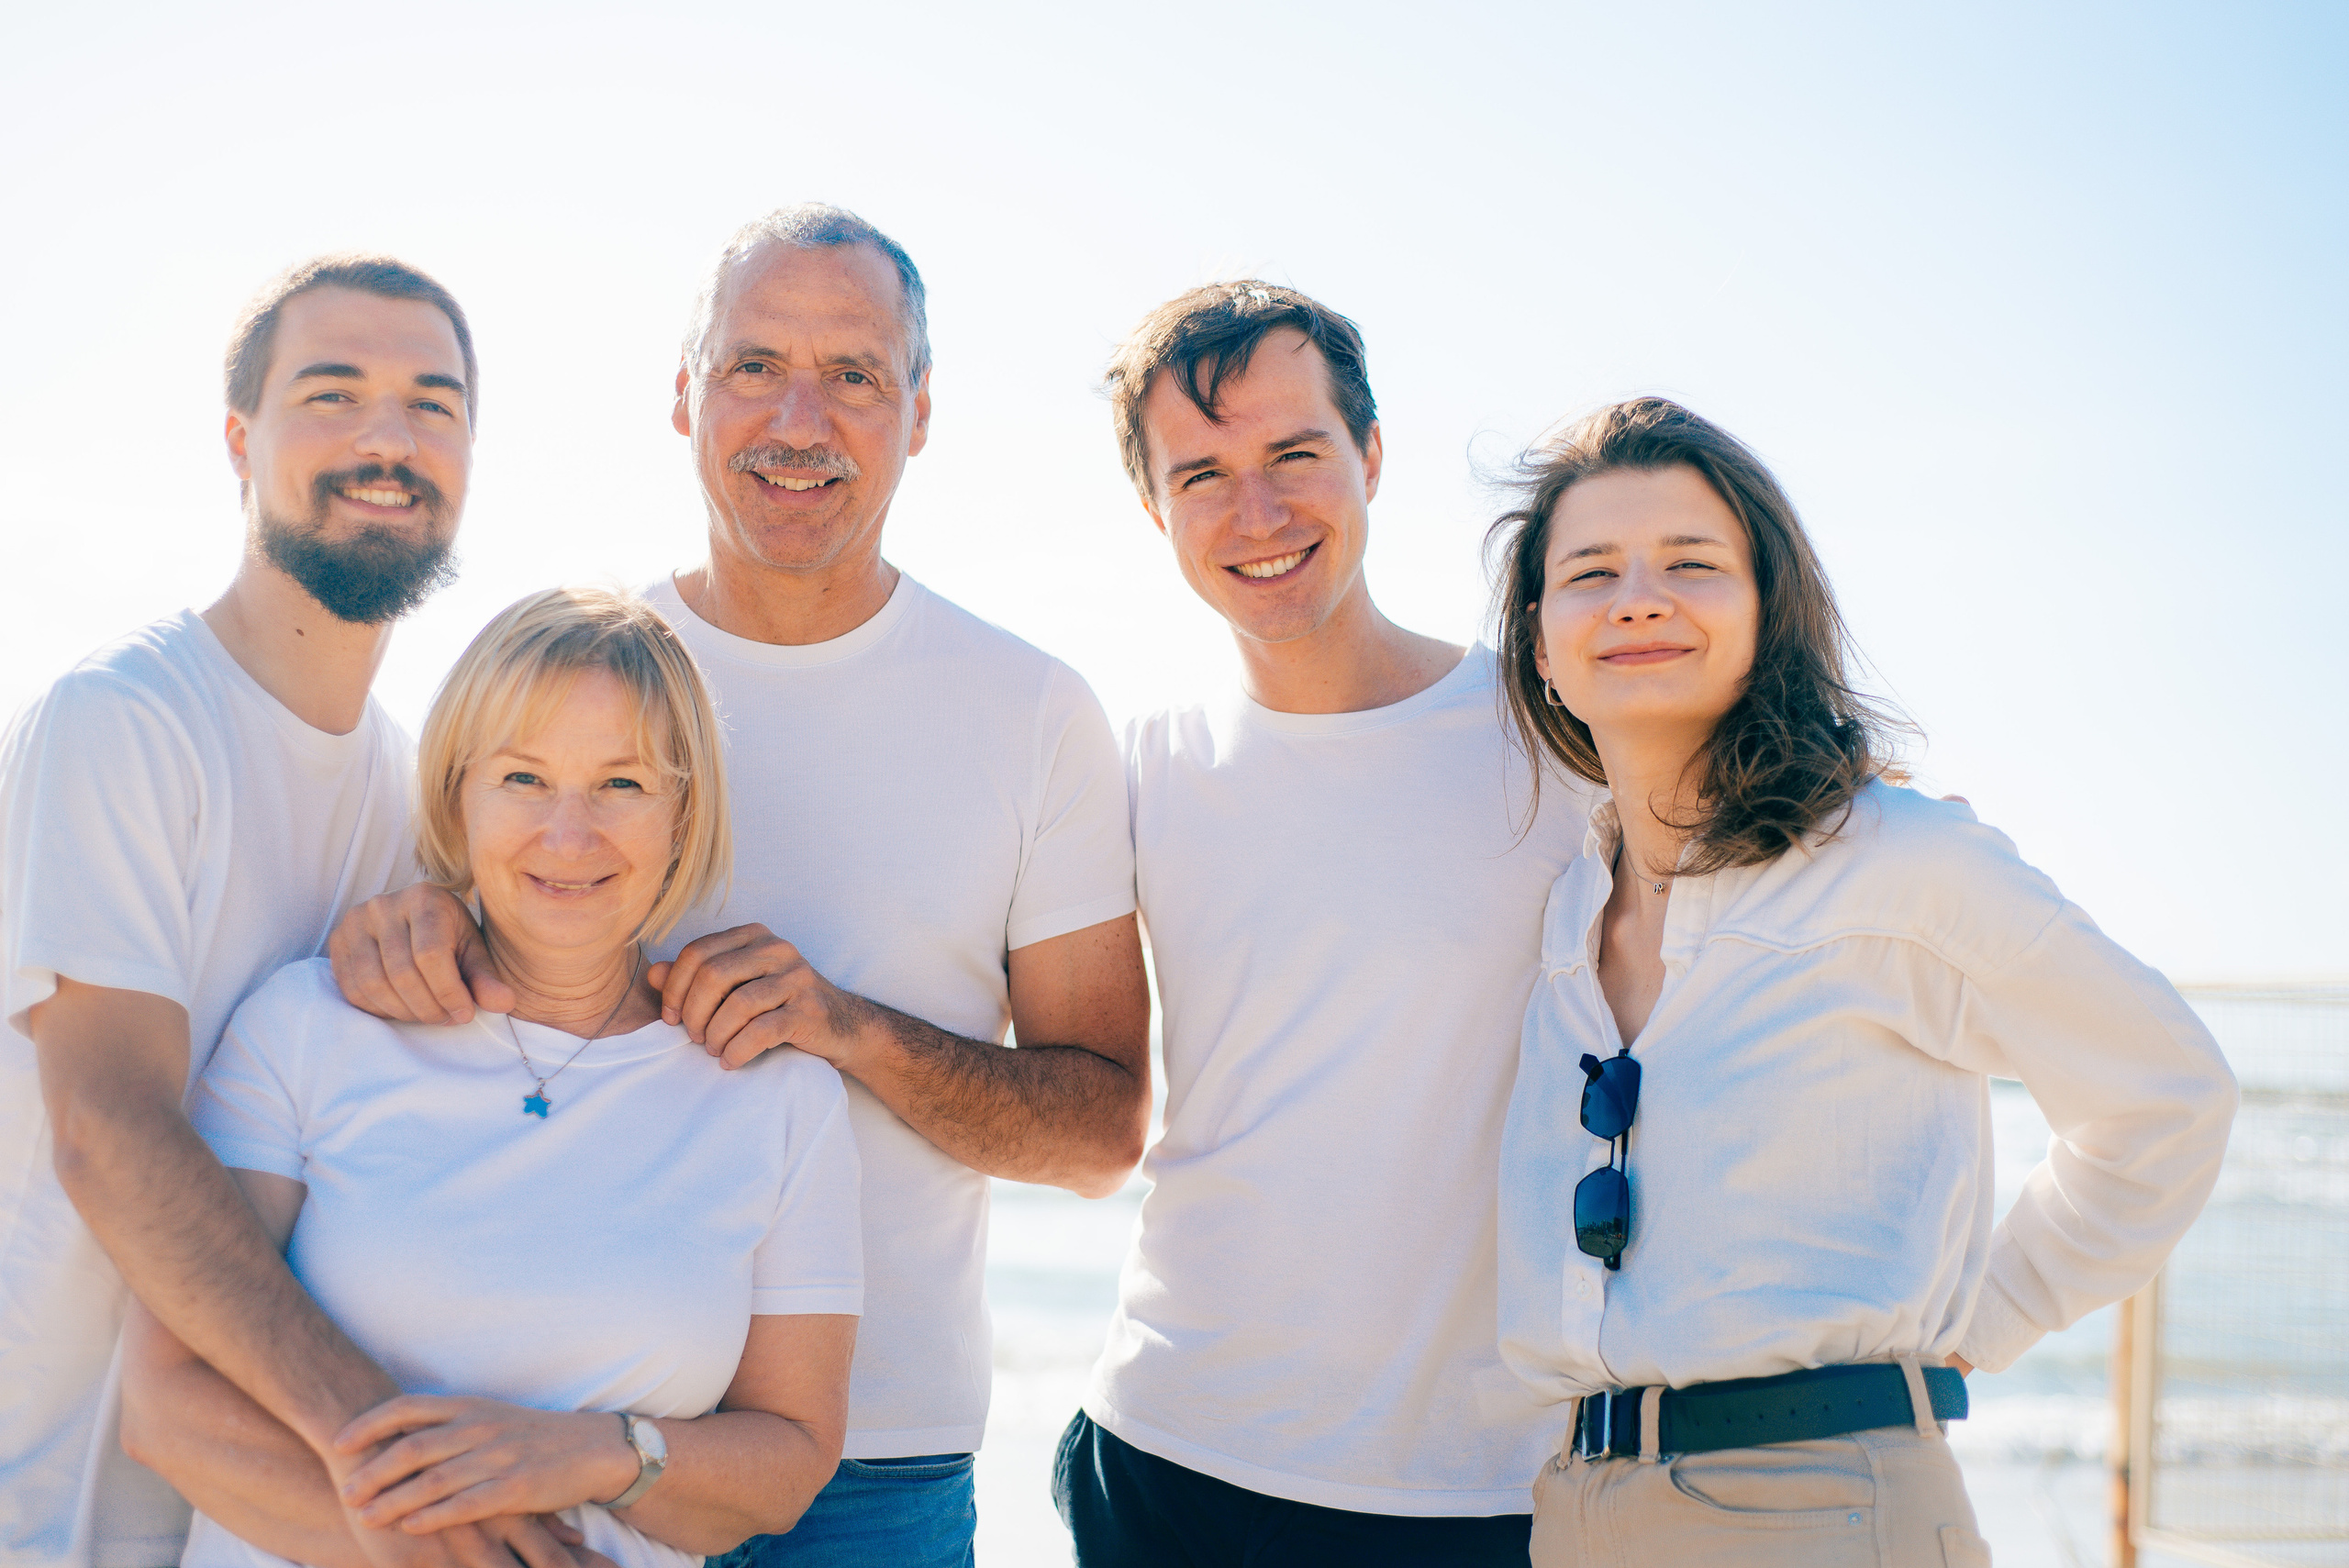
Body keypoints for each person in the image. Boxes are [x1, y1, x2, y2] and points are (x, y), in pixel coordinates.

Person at [326, 205, 1150, 1568]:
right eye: (755, 366)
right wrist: (396, 926)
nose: (798, 419)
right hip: (551, 1436)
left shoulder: (1034, 711)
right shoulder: (567, 678)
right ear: (683, 395)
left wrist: (853, 1031)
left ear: (922, 413)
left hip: (874, 1473)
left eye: (854, 375)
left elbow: (1099, 1132)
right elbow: (421, 974)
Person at [1486, 397, 2237, 1564]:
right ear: (1539, 642)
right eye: (1590, 571)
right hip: (1580, 1510)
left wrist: (1985, 1316)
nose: (1637, 594)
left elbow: (2166, 1093)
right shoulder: (1565, 908)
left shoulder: (1897, 860)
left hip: (1829, 1506)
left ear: (1766, 613)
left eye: (1691, 561)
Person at [0, 255, 588, 1568]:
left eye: (432, 405)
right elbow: (108, 1127)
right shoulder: (127, 722)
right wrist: (410, 1472)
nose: (388, 439)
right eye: (334, 394)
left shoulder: (412, 801)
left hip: (246, 1523)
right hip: (42, 1498)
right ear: (238, 441)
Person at [117, 585, 863, 1568]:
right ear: (454, 795)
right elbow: (172, 1410)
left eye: (623, 784)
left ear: (685, 814)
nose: (568, 832)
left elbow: (787, 1462)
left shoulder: (779, 1098)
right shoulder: (307, 1026)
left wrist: (596, 1451)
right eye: (521, 776)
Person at [1051, 283, 1596, 1565]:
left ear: (1372, 457)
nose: (1259, 511)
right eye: (1203, 474)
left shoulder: (1560, 740)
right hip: (1172, 1460)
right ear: (1154, 508)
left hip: (1486, 1487)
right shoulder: (1133, 771)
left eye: (1295, 454)